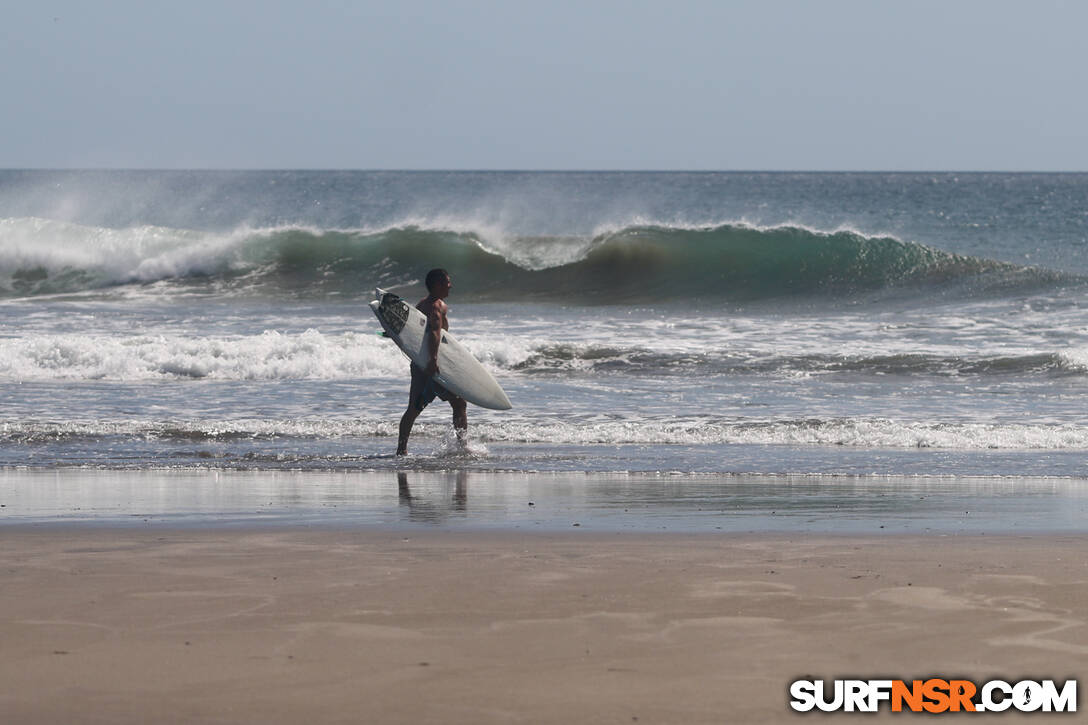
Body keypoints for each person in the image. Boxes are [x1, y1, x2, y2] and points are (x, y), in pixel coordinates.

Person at [396, 268, 468, 455]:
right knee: (457, 404)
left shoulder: (424, 304)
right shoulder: (435, 306)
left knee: (416, 407)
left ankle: (401, 450)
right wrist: (433, 361)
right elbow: (434, 333)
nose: (450, 286)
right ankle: (462, 447)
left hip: (424, 364)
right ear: (437, 284)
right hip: (430, 366)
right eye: (447, 282)